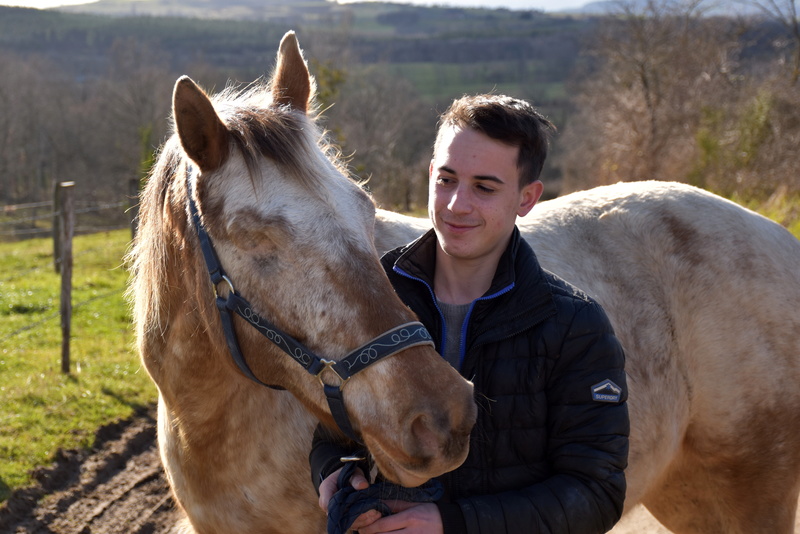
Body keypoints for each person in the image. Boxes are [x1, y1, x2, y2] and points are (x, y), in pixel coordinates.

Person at [310, 94, 629, 534]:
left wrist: (452, 524)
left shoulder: (575, 326)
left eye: (484, 187)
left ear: (527, 198)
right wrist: (333, 472)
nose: (457, 204)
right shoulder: (374, 295)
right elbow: (333, 430)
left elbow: (595, 493)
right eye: (446, 179)